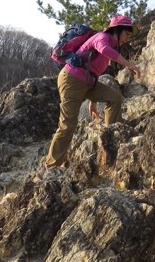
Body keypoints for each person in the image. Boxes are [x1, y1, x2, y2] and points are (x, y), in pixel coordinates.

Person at [45, 16, 141, 169]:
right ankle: (49, 166)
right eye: (126, 34)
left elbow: (93, 74)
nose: (127, 38)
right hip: (71, 80)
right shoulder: (102, 37)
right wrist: (129, 65)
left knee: (115, 98)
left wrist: (92, 102)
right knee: (68, 125)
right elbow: (104, 49)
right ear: (117, 30)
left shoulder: (108, 45)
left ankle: (112, 139)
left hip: (87, 83)